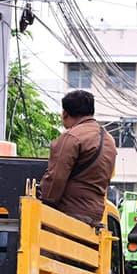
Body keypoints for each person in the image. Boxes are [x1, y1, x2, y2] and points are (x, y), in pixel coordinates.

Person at [39, 90, 117, 226]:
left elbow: (56, 178)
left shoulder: (72, 137)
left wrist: (44, 203)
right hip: (95, 215)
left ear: (65, 113)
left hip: (69, 214)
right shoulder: (109, 140)